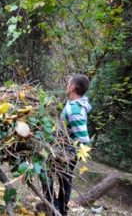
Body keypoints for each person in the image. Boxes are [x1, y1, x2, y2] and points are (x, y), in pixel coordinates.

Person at [40, 74, 92, 216]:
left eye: (68, 84)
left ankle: (57, 209)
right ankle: (56, 206)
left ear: (73, 87)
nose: (66, 86)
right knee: (59, 177)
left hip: (68, 152)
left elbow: (84, 138)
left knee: (49, 173)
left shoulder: (75, 111)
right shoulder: (73, 103)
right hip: (63, 148)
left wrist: (72, 154)